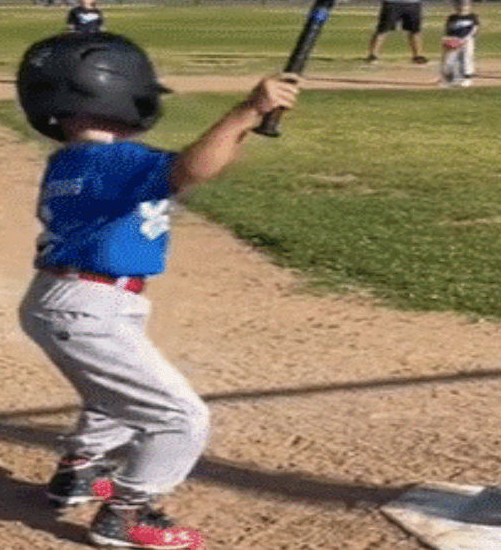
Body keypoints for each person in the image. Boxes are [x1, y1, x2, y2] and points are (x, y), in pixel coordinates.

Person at [15, 32, 299, 549]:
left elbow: (188, 173)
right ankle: (126, 513)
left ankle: (80, 472)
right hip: (90, 305)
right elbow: (188, 169)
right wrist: (243, 113)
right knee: (179, 416)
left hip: (74, 300)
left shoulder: (74, 162)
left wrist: (244, 125)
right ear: (109, 92)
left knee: (117, 393)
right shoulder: (112, 161)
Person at [440, 0, 480, 88]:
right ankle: (449, 79)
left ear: (470, 6)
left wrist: (465, 39)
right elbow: (448, 29)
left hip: (467, 41)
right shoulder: (452, 17)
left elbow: (474, 29)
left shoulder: (472, 17)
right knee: (448, 60)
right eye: (460, 5)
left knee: (466, 59)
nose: (462, 7)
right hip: (454, 40)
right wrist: (447, 39)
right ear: (455, 6)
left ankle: (467, 79)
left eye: (465, 5)